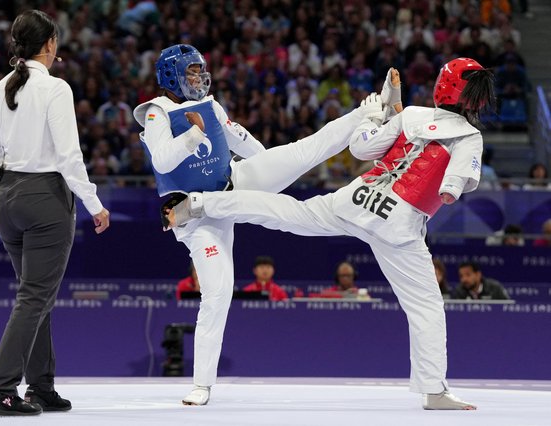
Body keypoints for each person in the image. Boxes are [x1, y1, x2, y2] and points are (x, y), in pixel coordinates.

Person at [169, 58, 496, 410]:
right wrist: (449, 187)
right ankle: (433, 390)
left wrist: (376, 114)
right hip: (398, 224)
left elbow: (361, 148)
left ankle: (203, 203)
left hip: (357, 198)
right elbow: (454, 184)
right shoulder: (470, 136)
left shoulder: (413, 114)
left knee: (286, 212)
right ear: (475, 99)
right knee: (425, 306)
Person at [133, 44, 370, 405]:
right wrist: (193, 135)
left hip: (235, 183)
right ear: (172, 76)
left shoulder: (211, 105)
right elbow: (163, 162)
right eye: (192, 72)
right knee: (218, 292)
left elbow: (242, 141)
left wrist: (274, 165)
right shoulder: (157, 112)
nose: (199, 78)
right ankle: (201, 385)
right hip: (198, 218)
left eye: (200, 71)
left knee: (302, 152)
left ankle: (369, 111)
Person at [0, 10, 110, 417]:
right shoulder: (56, 89)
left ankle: (40, 387)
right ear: (50, 44)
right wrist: (95, 204)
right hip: (44, 198)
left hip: (7, 196)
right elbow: (70, 157)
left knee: (36, 295)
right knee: (35, 296)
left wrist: (2, 197)